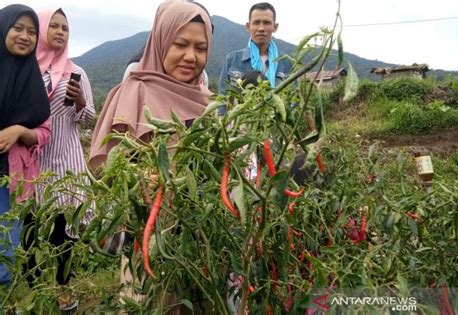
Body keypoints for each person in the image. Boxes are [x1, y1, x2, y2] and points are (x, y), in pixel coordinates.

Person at [89, 0, 213, 310]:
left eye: (200, 47)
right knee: (152, 302)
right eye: (180, 44)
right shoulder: (133, 93)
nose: (190, 56)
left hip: (203, 237)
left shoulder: (207, 100)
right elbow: (109, 172)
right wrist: (141, 177)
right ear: (159, 42)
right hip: (148, 235)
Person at [21, 8, 96, 311]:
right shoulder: (25, 71)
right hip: (32, 160)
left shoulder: (76, 72)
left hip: (66, 158)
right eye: (53, 25)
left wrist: (80, 101)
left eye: (65, 27)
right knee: (30, 225)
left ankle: (64, 286)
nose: (60, 31)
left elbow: (90, 118)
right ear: (41, 30)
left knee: (63, 230)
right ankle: (33, 284)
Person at [0, 4, 51, 287]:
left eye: (32, 32)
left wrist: (19, 130)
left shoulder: (32, 78)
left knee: (6, 250)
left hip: (12, 179)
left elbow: (44, 131)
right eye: (17, 28)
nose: (25, 36)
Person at [218, 2, 291, 94]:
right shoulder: (232, 60)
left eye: (266, 23)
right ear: (248, 26)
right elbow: (224, 100)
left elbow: (293, 102)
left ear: (275, 27)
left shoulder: (287, 63)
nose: (261, 28)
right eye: (256, 23)